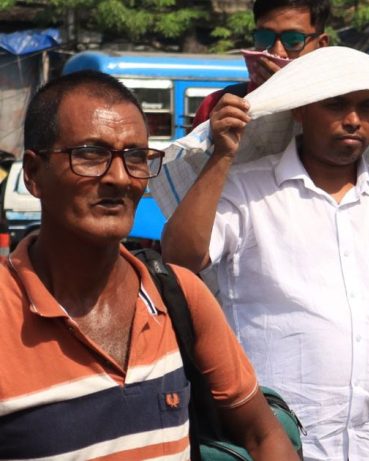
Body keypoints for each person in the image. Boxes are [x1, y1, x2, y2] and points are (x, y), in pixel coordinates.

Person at [160, 48, 369, 460]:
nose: (353, 119)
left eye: (366, 107)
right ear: (299, 110)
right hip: (278, 444)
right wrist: (222, 157)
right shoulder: (246, 189)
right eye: (336, 104)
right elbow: (181, 260)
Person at [0, 71, 298, 460]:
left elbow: (264, 435)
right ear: (35, 173)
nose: (120, 178)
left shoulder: (177, 296)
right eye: (91, 155)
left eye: (136, 157)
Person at [190, 0, 330, 129]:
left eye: (293, 41)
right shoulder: (217, 106)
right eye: (264, 37)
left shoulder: (339, 110)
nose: (277, 52)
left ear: (321, 45)